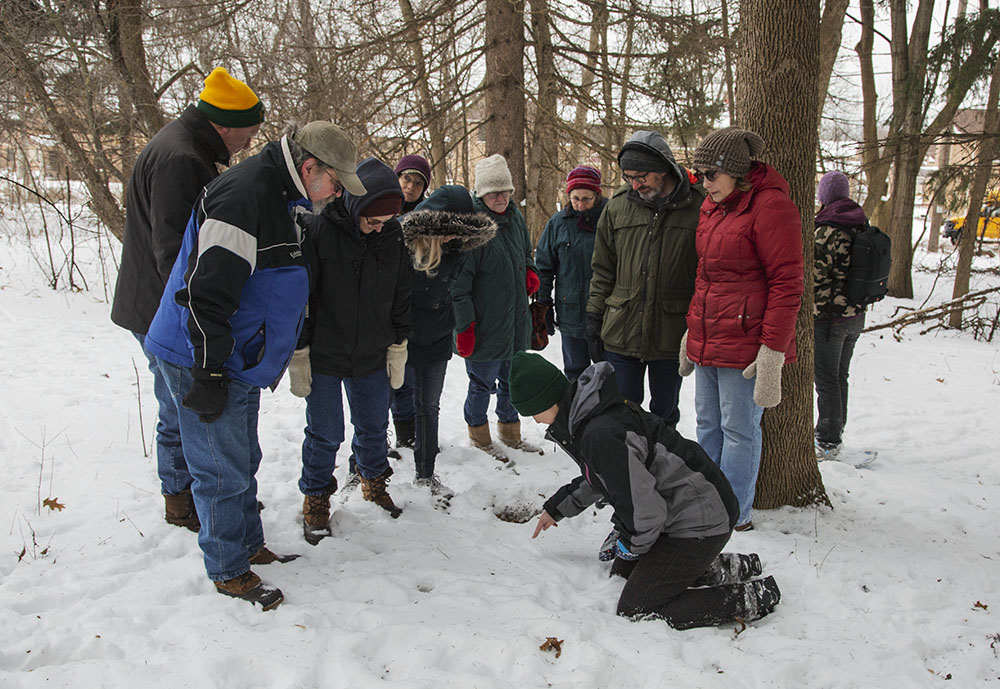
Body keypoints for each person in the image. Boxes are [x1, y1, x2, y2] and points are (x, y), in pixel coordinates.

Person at [144, 121, 366, 610]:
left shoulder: (281, 195)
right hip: (203, 356)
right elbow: (205, 294)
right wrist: (210, 371)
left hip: (238, 358)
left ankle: (246, 543)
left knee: (242, 458)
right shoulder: (244, 197)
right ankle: (227, 568)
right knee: (220, 468)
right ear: (311, 169)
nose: (334, 195)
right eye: (333, 184)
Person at [511, 352, 780, 629]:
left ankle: (748, 598)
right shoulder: (591, 417)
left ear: (546, 400)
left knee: (637, 606)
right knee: (624, 572)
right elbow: (600, 478)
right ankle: (728, 567)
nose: (535, 420)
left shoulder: (599, 432)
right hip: (686, 507)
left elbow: (646, 514)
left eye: (532, 411)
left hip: (702, 517)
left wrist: (628, 542)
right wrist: (557, 508)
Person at [110, 67, 264, 532]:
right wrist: (194, 326)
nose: (251, 142)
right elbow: (173, 252)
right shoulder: (182, 159)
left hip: (158, 304)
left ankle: (181, 498)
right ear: (223, 125)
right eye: (249, 131)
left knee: (179, 408)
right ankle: (184, 501)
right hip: (161, 308)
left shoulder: (186, 145)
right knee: (185, 409)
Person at [679, 127, 803, 532]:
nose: (703, 184)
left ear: (734, 171)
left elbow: (788, 283)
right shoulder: (712, 208)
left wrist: (772, 349)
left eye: (710, 175)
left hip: (747, 344)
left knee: (739, 429)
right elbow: (706, 276)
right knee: (706, 425)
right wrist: (691, 330)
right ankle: (706, 501)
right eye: (698, 175)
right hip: (709, 337)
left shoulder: (771, 208)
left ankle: (734, 512)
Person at [289, 158, 410, 539]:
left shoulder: (392, 237)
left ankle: (373, 481)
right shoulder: (319, 230)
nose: (379, 227)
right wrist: (300, 350)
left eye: (386, 221)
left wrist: (398, 343)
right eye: (373, 220)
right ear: (357, 205)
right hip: (325, 352)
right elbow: (302, 296)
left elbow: (401, 293)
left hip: (372, 352)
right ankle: (316, 497)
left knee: (374, 426)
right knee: (325, 433)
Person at [586, 131, 705, 429]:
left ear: (664, 168)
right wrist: (594, 315)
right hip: (622, 330)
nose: (635, 185)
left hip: (672, 332)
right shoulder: (617, 207)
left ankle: (661, 469)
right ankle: (627, 472)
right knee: (622, 413)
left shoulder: (700, 207)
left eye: (641, 176)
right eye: (629, 178)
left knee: (664, 415)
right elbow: (603, 269)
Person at [396, 185, 498, 497]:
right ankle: (361, 468)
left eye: (460, 232)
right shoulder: (402, 246)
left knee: (428, 405)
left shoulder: (458, 250)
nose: (455, 238)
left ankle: (426, 474)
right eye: (448, 231)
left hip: (437, 337)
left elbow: (457, 291)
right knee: (378, 405)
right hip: (400, 337)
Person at [454, 154, 542, 461]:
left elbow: (525, 253)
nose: (501, 198)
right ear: (481, 194)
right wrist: (464, 327)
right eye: (494, 193)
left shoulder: (515, 218)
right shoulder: (473, 228)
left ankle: (510, 433)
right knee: (481, 384)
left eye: (505, 191)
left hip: (515, 320)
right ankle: (479, 437)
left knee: (512, 381)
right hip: (485, 326)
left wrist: (530, 271)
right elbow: (459, 286)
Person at [813, 171, 868, 458]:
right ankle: (835, 430)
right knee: (839, 376)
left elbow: (814, 274)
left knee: (826, 379)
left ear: (825, 196)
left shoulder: (828, 229)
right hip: (855, 315)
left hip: (829, 316)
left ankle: (828, 438)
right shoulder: (859, 221)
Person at [535, 165, 608, 380]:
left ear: (597, 194)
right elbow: (544, 267)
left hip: (606, 314)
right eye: (575, 198)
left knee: (608, 375)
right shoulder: (558, 223)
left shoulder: (610, 218)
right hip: (570, 313)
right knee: (576, 375)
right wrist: (544, 304)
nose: (580, 204)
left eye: (586, 199)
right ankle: (577, 413)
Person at [389, 153, 433, 453]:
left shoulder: (430, 217)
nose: (411, 186)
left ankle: (408, 433)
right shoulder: (380, 209)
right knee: (386, 379)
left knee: (409, 377)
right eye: (407, 178)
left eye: (418, 182)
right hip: (381, 306)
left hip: (415, 307)